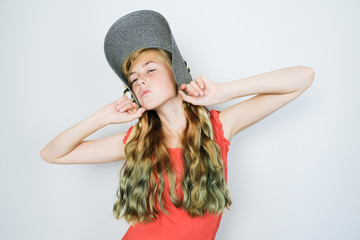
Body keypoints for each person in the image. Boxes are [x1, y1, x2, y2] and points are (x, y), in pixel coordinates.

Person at [40, 10, 314, 240]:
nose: (141, 80)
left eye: (150, 69)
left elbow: (303, 78)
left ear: (176, 73)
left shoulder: (219, 127)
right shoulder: (137, 140)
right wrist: (103, 116)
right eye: (134, 79)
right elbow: (52, 154)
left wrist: (223, 92)